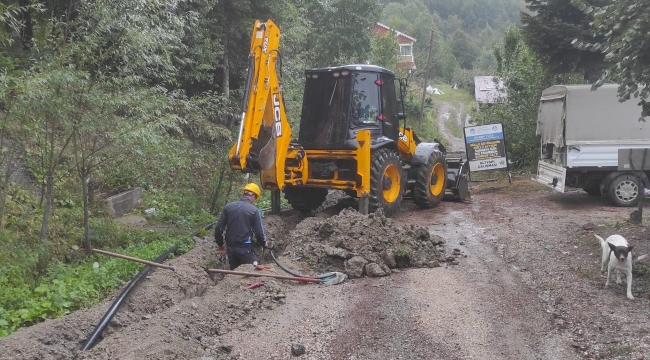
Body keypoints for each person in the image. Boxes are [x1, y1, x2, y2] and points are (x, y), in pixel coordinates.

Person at [214, 183, 269, 270]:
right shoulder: (254, 210)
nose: (254, 200)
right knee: (254, 270)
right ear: (253, 196)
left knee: (234, 272)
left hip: (230, 248)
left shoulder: (228, 207)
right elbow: (258, 232)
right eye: (255, 198)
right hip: (244, 248)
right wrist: (263, 242)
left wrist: (220, 244)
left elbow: (218, 228)